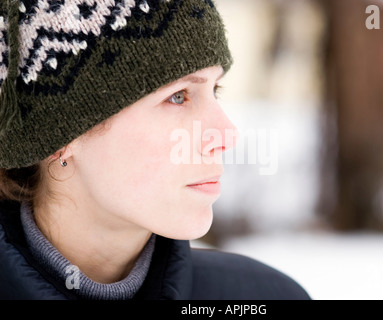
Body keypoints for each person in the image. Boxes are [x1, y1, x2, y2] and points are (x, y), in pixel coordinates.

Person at [0, 0, 310, 300]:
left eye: (215, 90)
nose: (227, 135)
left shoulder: (264, 295)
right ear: (60, 135)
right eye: (178, 96)